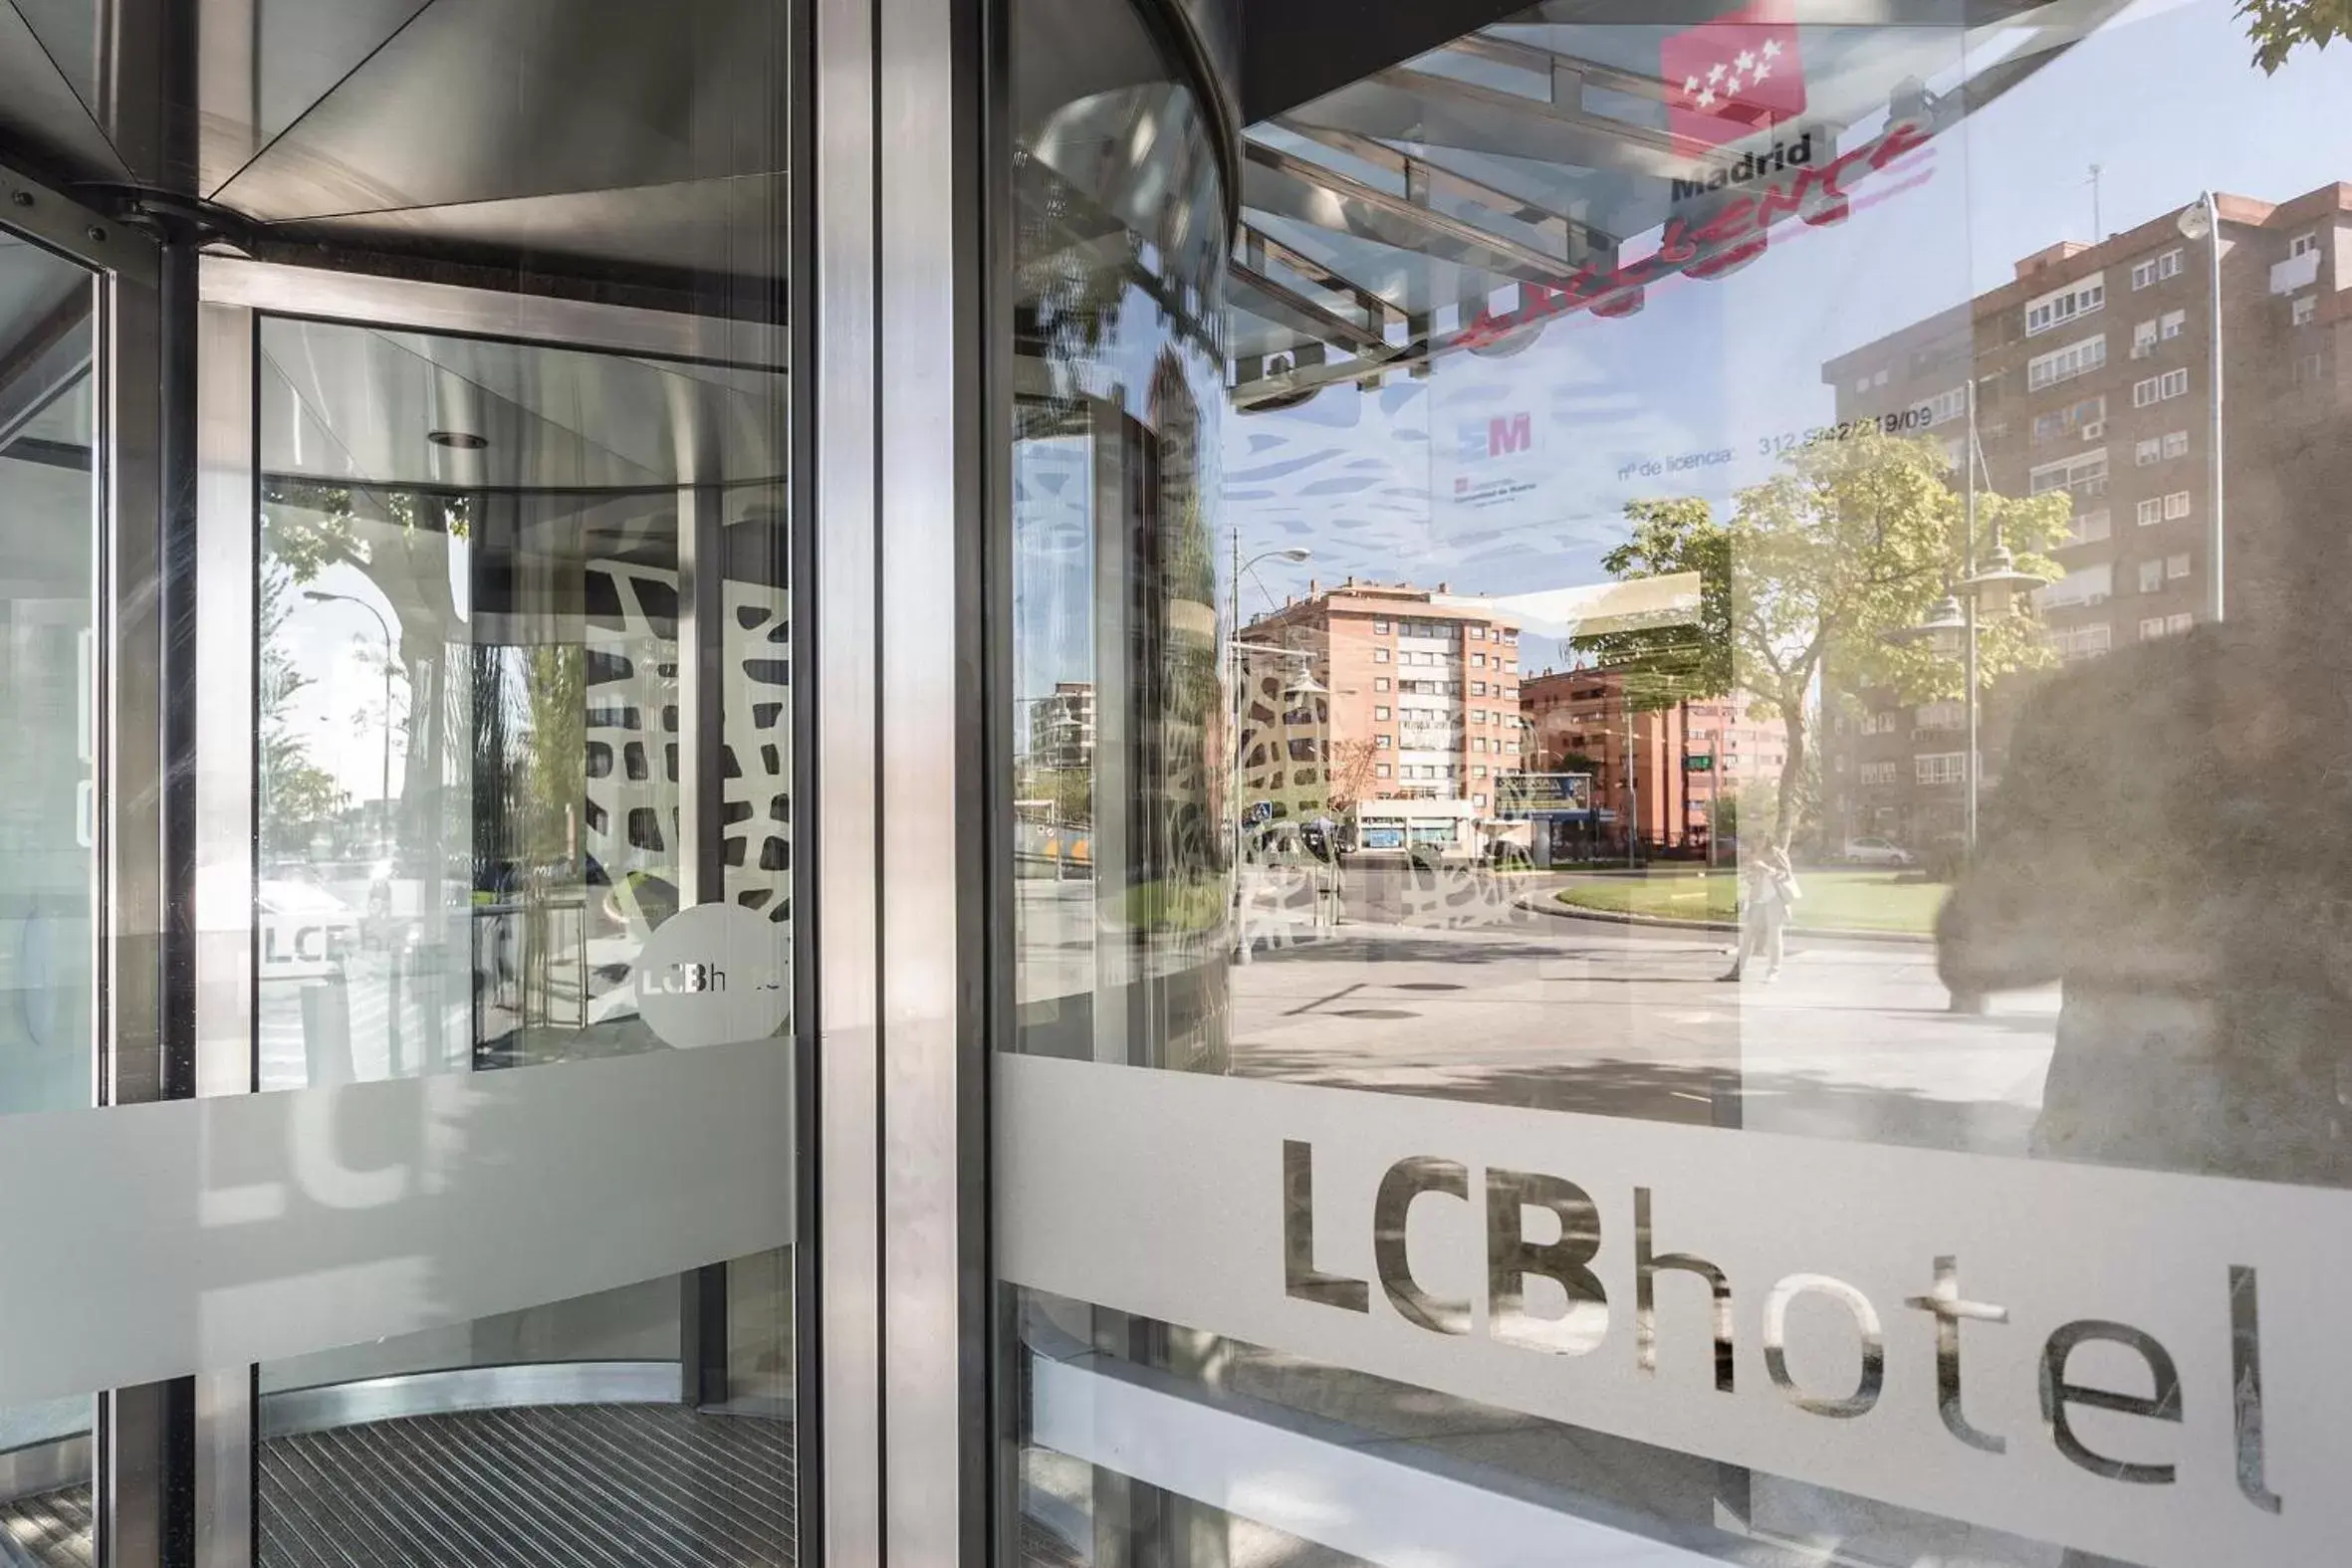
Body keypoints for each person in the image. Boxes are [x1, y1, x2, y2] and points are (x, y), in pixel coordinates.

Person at [1721, 842, 1799, 982]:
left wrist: (1766, 867)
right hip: (1758, 900)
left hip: (1775, 900)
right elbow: (1751, 879)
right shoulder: (1754, 855)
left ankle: (1774, 972)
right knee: (1747, 937)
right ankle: (1737, 971)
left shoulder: (1777, 853)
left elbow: (1786, 875)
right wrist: (1751, 874)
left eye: (1760, 838)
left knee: (1775, 937)